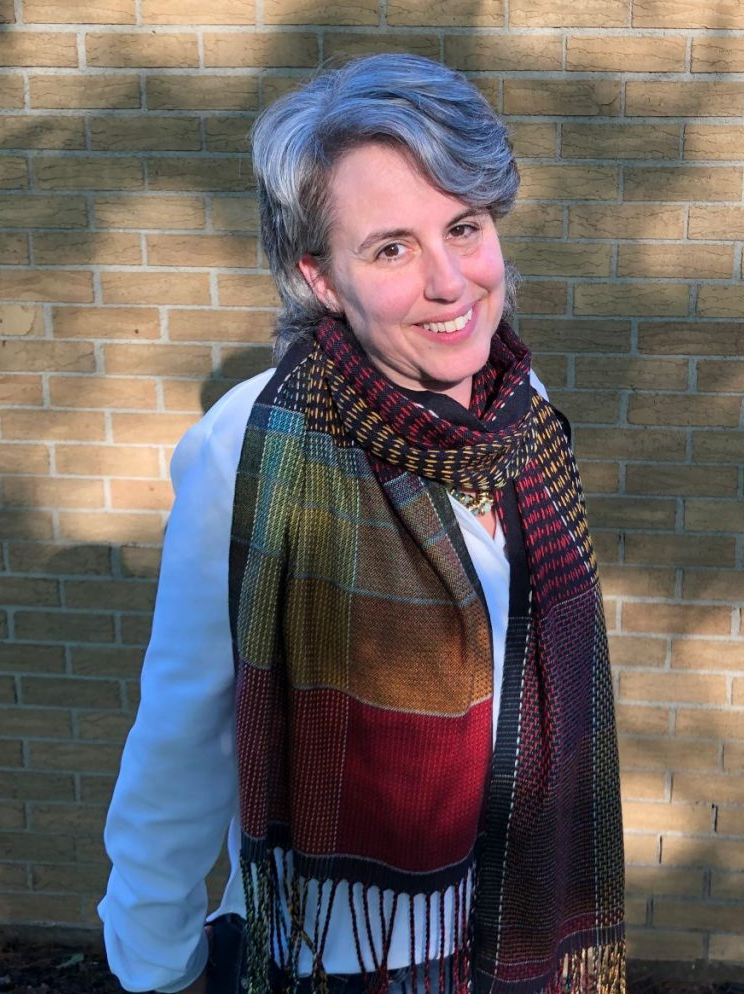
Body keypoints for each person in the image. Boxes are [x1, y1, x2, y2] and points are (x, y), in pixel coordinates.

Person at [99, 53, 625, 994]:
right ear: (322, 278)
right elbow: (183, 732)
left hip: (522, 924)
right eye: (391, 249)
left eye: (463, 228)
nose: (450, 282)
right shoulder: (252, 444)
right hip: (346, 954)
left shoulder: (524, 412)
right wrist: (156, 964)